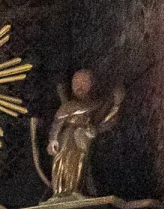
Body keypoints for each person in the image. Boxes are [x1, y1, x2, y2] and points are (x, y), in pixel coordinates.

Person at [48, 69, 123, 198]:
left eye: (83, 81)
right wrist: (53, 139)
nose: (79, 85)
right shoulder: (67, 106)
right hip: (66, 139)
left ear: (92, 84)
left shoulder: (97, 105)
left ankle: (77, 189)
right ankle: (62, 191)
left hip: (85, 138)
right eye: (75, 82)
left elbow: (107, 122)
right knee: (63, 160)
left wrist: (117, 104)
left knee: (80, 161)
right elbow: (57, 124)